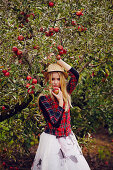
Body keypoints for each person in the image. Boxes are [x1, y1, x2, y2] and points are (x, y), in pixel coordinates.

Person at [31, 57, 90, 170]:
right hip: (52, 140)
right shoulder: (44, 99)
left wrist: (58, 60)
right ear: (48, 80)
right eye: (52, 79)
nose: (55, 82)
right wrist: (61, 102)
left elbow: (75, 75)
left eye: (58, 79)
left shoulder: (66, 92)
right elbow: (55, 123)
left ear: (62, 80)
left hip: (67, 138)